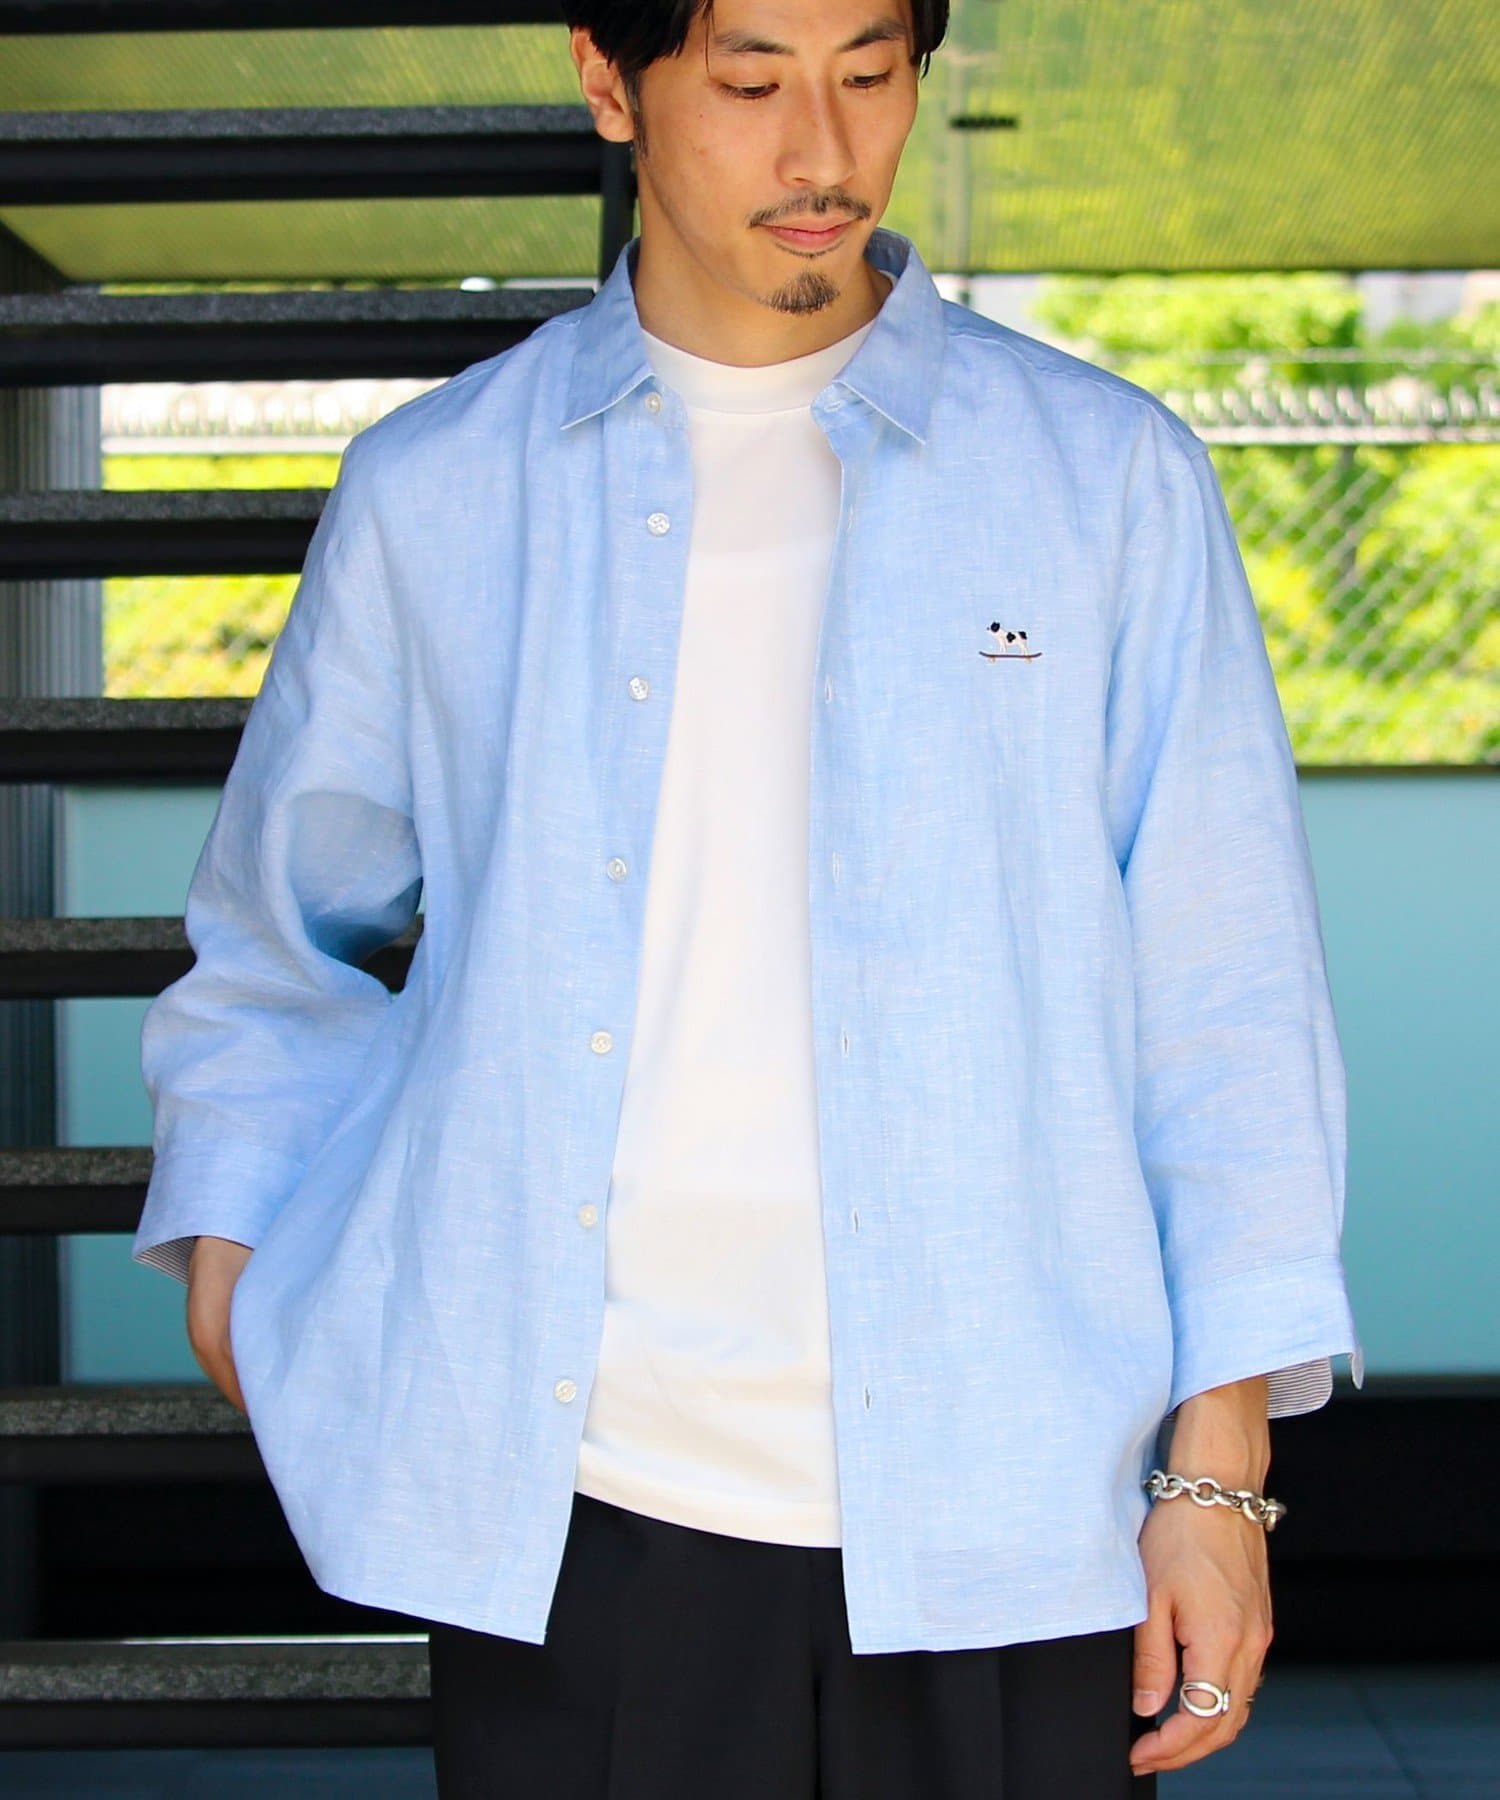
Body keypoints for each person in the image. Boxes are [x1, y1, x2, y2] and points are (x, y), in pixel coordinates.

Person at [131, 1, 1364, 1793]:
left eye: (870, 75)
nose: (824, 152)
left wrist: (1219, 1470)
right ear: (607, 79)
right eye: (752, 78)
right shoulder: (438, 490)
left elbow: (1226, 997)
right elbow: (281, 938)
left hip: (1028, 1498)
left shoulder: (1106, 477)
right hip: (582, 1509)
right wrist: (236, 1258)